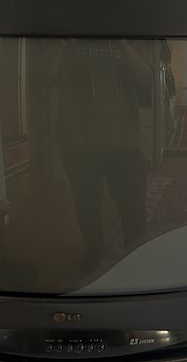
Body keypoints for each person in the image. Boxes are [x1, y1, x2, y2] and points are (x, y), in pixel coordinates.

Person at [44, 39, 151, 267]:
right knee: (86, 207)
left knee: (133, 207)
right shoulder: (65, 43)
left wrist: (121, 42)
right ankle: (94, 256)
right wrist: (62, 40)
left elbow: (146, 78)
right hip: (77, 144)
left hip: (124, 142)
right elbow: (45, 76)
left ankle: (136, 260)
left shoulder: (126, 39)